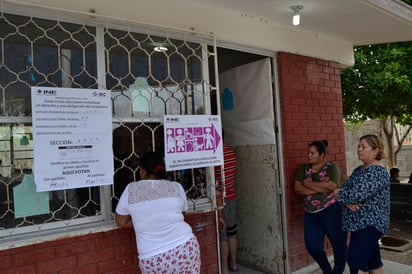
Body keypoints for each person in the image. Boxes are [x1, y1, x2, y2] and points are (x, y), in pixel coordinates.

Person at [115, 151, 201, 274]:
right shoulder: (176, 187)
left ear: (142, 171)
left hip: (153, 257)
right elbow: (181, 214)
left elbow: (121, 220)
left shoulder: (131, 190)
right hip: (185, 248)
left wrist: (144, 221)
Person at [333, 134, 390, 274]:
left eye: (363, 147)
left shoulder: (378, 172)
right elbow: (345, 190)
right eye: (358, 146)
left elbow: (355, 195)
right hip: (357, 224)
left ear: (375, 150)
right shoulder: (359, 170)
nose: (359, 149)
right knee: (373, 262)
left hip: (370, 224)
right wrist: (346, 201)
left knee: (355, 261)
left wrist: (338, 193)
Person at [294, 140, 347, 274]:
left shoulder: (331, 167)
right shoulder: (303, 169)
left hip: (332, 211)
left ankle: (338, 271)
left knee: (339, 244)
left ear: (322, 154)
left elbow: (332, 186)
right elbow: (297, 188)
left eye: (312, 153)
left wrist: (307, 183)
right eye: (308, 152)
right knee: (312, 246)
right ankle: (327, 270)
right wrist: (321, 188)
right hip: (310, 214)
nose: (308, 155)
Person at [215, 142, 238, 274]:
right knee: (232, 233)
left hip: (220, 200)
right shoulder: (231, 153)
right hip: (232, 197)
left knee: (223, 236)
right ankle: (234, 264)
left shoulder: (213, 156)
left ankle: (224, 269)